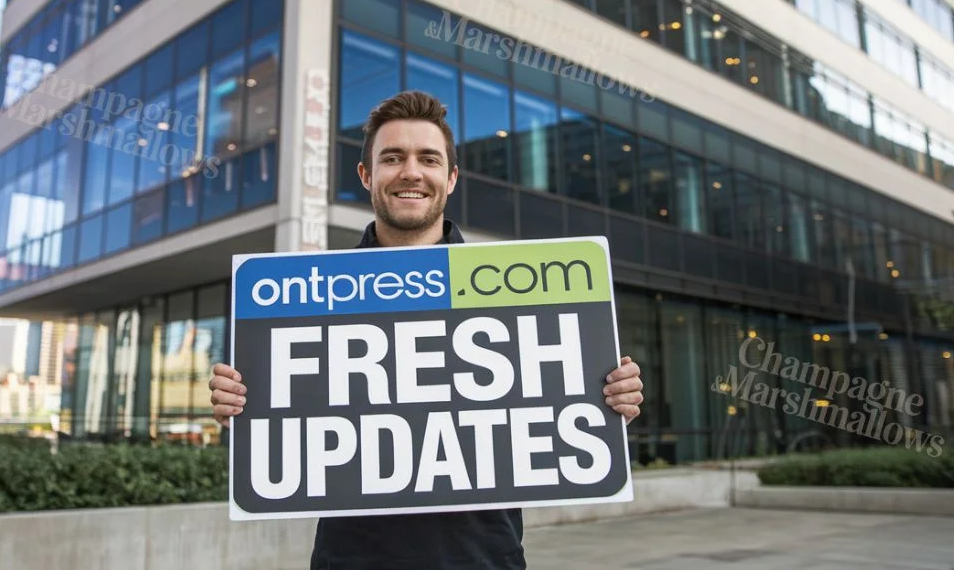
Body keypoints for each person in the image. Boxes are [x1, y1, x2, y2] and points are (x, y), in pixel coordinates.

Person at [209, 90, 645, 569]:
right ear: (366, 175)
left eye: (428, 159)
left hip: (484, 559)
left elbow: (556, 413)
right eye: (392, 158)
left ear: (451, 177)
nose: (411, 172)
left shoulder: (518, 294)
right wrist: (245, 405)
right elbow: (286, 432)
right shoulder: (311, 301)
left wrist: (608, 394)